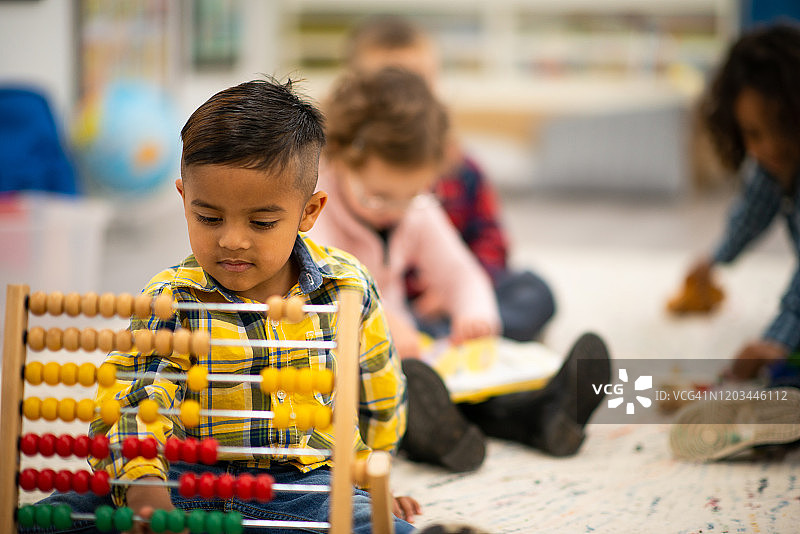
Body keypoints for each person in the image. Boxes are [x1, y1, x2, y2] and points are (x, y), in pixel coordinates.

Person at [19, 78, 418, 534]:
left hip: (304, 486)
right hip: (181, 478)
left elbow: (380, 394)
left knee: (388, 530)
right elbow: (135, 400)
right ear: (184, 198)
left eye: (262, 222)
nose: (232, 240)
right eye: (208, 218)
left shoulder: (347, 287)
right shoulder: (174, 297)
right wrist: (146, 491)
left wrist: (377, 478)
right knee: (43, 520)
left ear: (310, 212)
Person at [308, 67, 611, 474]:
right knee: (398, 391)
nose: (396, 211)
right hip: (341, 362)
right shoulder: (316, 209)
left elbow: (460, 274)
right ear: (338, 158)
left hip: (412, 343)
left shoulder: (417, 211)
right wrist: (381, 328)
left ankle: (542, 412)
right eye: (377, 197)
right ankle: (436, 432)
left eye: (413, 194)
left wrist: (474, 316)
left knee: (482, 344)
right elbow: (323, 291)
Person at [344, 15, 556, 343]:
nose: (405, 99)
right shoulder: (327, 184)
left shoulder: (457, 171)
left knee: (533, 291)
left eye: (418, 82)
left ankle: (457, 344)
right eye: (390, 84)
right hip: (376, 320)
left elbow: (484, 249)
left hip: (439, 304)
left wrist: (464, 308)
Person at [673, 23, 800, 381]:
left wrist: (778, 340)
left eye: (783, 127)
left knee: (780, 378)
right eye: (753, 134)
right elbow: (754, 209)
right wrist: (715, 259)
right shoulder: (774, 161)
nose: (770, 148)